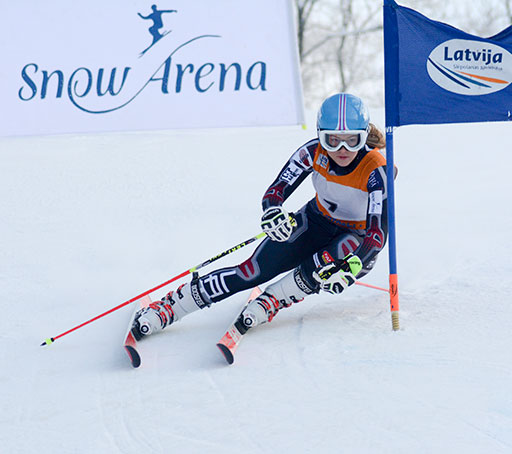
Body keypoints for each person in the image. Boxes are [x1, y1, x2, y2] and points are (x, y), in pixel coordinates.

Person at [132, 93, 389, 340]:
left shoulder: (376, 168)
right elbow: (276, 191)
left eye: (352, 140)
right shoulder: (313, 153)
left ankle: (274, 299)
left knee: (323, 267)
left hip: (357, 239)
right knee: (251, 271)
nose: (342, 149)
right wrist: (273, 211)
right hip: (316, 220)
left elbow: (377, 235)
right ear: (320, 136)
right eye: (332, 140)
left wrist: (353, 265)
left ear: (364, 137)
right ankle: (172, 307)